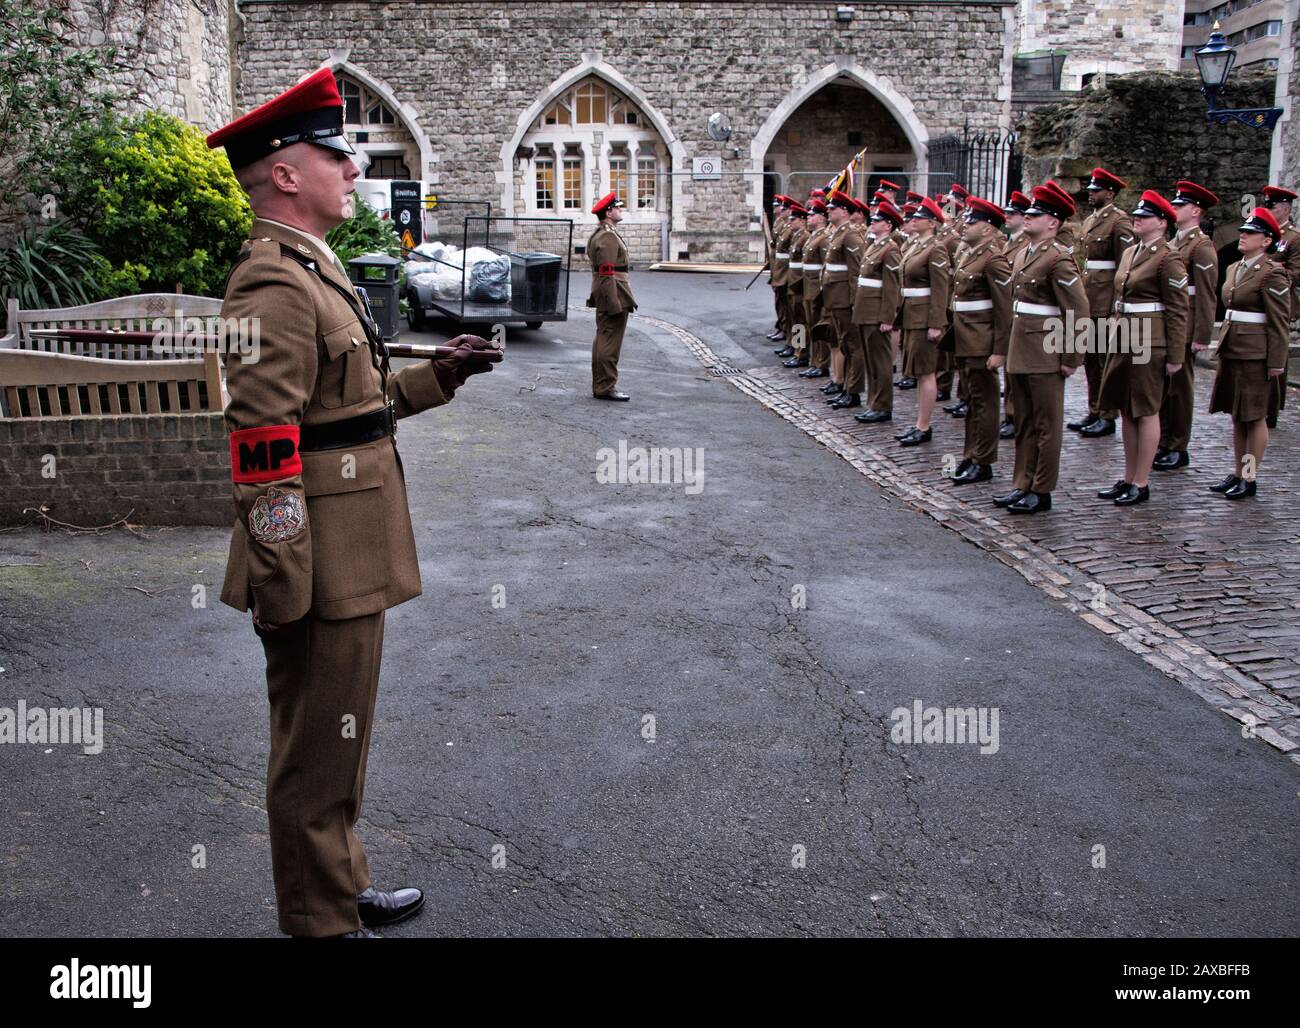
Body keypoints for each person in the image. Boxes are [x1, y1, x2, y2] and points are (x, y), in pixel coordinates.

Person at [206, 68, 497, 938]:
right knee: (312, 754)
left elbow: (344, 409)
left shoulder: (311, 267)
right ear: (286, 173)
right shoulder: (272, 283)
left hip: (353, 546)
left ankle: (337, 881)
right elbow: (264, 454)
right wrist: (283, 582)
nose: (354, 172)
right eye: (337, 155)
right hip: (318, 562)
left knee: (341, 740)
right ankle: (318, 921)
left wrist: (435, 378)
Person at [994, 185, 1089, 514]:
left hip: (1045, 352)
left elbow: (1077, 310)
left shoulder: (1058, 259)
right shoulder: (1024, 254)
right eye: (1029, 213)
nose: (1029, 217)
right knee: (1024, 422)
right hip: (1022, 348)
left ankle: (1042, 488)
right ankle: (1022, 482)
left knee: (1047, 425)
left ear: (1053, 222)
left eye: (1036, 214)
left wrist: (1070, 357)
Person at [1094, 190, 1189, 507]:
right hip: (1124, 335)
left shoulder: (1168, 257)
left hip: (1150, 339)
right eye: (1137, 215)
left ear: (1162, 223)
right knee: (1126, 408)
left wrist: (1176, 354)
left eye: (1145, 216)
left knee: (1145, 409)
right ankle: (1128, 476)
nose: (1138, 219)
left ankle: (1142, 481)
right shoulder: (1130, 253)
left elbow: (1177, 310)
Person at [1206, 207, 1292, 500]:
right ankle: (1238, 470)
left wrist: (1277, 363)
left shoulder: (1272, 273)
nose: (1243, 236)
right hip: (1233, 348)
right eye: (1242, 231)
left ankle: (1249, 476)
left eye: (1250, 233)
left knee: (1254, 417)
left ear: (1266, 241)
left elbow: (1279, 322)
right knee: (1237, 415)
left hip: (1256, 354)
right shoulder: (1234, 268)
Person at [1155, 180, 1219, 471]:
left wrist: (1201, 334)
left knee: (1180, 388)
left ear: (1196, 210)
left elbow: (1206, 293)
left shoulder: (1201, 246)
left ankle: (1177, 445)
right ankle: (1163, 439)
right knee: (1164, 386)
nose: (1174, 209)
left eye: (1180, 206)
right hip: (1168, 320)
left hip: (1187, 322)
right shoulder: (1174, 242)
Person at [950, 198, 1013, 484]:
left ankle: (984, 460)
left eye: (972, 222)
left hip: (981, 341)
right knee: (972, 401)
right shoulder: (971, 254)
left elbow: (1004, 309)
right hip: (965, 338)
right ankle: (970, 454)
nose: (965, 224)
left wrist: (1000, 351)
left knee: (985, 403)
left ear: (988, 229)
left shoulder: (993, 259)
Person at [1073, 168, 1134, 438]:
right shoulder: (1089, 221)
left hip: (1106, 297)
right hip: (1089, 295)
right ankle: (1094, 409)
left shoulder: (1119, 222)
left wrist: (1116, 303)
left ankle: (1107, 414)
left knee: (1103, 358)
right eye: (1090, 189)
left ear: (1110, 192)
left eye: (1096, 190)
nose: (1090, 193)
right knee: (1090, 359)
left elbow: (1125, 264)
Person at [889, 196, 951, 446]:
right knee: (918, 371)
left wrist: (937, 323)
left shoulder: (936, 248)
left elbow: (940, 287)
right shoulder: (916, 245)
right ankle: (919, 422)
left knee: (926, 373)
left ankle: (924, 426)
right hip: (912, 314)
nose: (914, 220)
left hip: (925, 317)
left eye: (920, 218)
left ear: (933, 223)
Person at [851, 198, 904, 423]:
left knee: (881, 361)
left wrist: (887, 317)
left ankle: (882, 405)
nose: (872, 222)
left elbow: (892, 287)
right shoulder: (875, 246)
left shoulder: (890, 250)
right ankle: (873, 402)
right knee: (871, 360)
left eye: (878, 220)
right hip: (865, 310)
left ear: (889, 225)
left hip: (876, 313)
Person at [588, 191, 636, 400]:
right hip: (614, 291)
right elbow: (607, 271)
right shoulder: (607, 235)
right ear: (608, 212)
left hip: (612, 290)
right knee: (610, 342)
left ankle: (602, 385)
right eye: (617, 207)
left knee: (604, 338)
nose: (620, 210)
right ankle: (606, 386)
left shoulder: (603, 232)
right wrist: (613, 301)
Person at [820, 190, 865, 406]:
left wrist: (856, 303)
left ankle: (852, 390)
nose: (828, 211)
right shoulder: (838, 233)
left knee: (852, 346)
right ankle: (844, 384)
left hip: (845, 300)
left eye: (833, 208)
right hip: (832, 298)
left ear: (845, 212)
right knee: (843, 344)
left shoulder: (850, 235)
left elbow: (855, 273)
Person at [999, 190, 1032, 440]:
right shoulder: (1010, 243)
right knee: (1010, 367)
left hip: (1025, 313)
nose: (1007, 217)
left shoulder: (1025, 245)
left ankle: (1015, 414)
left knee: (1018, 369)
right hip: (1010, 308)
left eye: (1013, 213)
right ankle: (1010, 413)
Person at [798, 198, 833, 380]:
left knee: (818, 326)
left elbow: (826, 265)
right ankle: (808, 357)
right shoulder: (813, 236)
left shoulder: (824, 238)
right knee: (806, 323)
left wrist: (822, 289)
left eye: (812, 215)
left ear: (821, 218)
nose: (808, 218)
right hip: (805, 285)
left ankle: (821, 362)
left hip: (816, 288)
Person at [782, 202, 811, 368]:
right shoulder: (796, 237)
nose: (790, 222)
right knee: (795, 318)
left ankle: (801, 352)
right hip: (793, 282)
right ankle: (796, 348)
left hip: (800, 284)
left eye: (793, 219)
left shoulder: (805, 237)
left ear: (802, 220)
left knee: (800, 320)